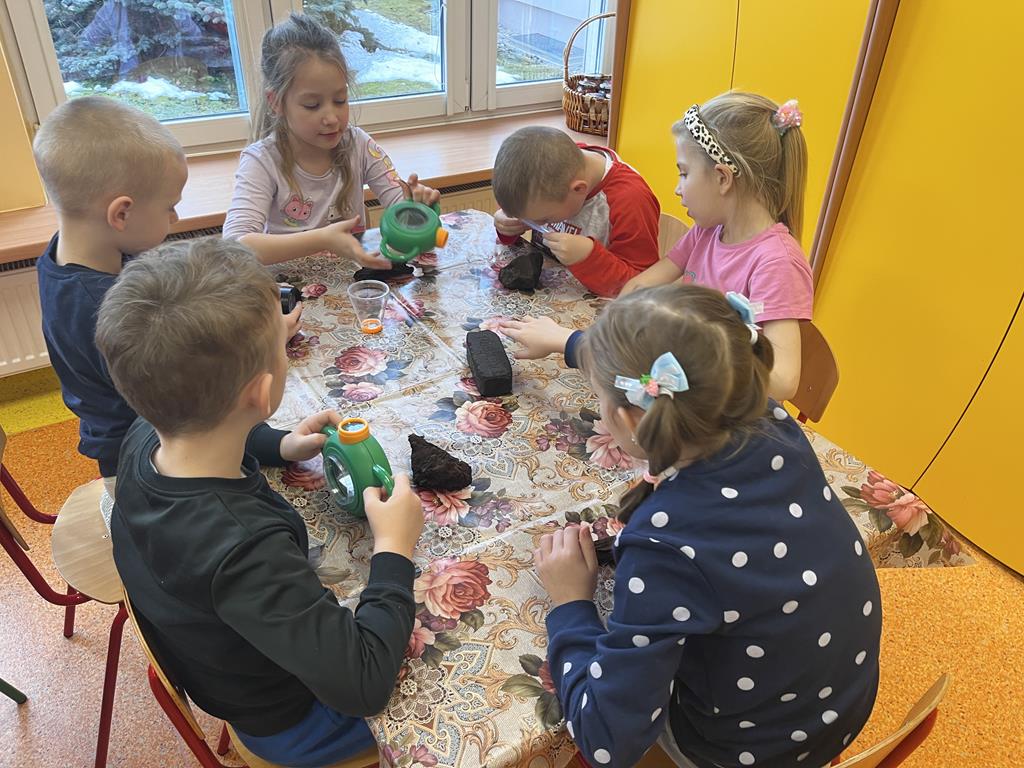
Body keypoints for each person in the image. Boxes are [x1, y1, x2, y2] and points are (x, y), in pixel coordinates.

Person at [96, 237, 424, 766]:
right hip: (294, 723)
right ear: (261, 391)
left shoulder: (145, 432)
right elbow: (363, 683)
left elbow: (209, 425)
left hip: (225, 663)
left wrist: (281, 444)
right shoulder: (243, 547)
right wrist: (394, 548)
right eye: (282, 341)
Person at [534, 284, 881, 768]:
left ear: (630, 420)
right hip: (837, 709)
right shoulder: (771, 418)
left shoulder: (664, 543)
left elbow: (608, 741)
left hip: (751, 752)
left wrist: (571, 604)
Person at [501, 93, 812, 401]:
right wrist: (610, 337)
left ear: (722, 179)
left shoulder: (777, 263)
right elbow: (639, 286)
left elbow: (783, 382)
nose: (677, 188)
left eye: (684, 173)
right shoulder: (707, 231)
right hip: (687, 388)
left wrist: (577, 343)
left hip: (721, 408)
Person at [32, 96, 188, 490]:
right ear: (121, 214)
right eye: (170, 207)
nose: (176, 218)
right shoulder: (104, 307)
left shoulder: (66, 253)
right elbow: (179, 395)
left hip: (128, 436)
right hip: (140, 458)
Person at [223, 13, 439, 266]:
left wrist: (417, 211)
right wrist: (323, 239)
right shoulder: (262, 162)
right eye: (312, 105)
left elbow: (404, 213)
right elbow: (235, 248)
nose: (332, 118)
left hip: (353, 281)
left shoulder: (360, 146)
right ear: (276, 102)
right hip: (291, 287)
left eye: (340, 100)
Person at [491, 125, 660, 297]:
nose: (534, 223)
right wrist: (506, 224)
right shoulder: (556, 167)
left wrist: (588, 257)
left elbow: (642, 289)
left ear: (578, 189)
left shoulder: (631, 201)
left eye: (544, 218)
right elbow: (524, 212)